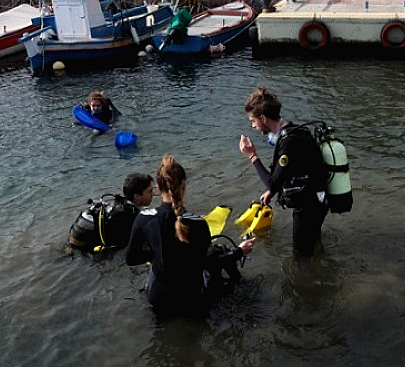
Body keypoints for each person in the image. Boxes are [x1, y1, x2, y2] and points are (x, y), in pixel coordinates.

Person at [126, 156, 255, 316]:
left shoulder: (143, 218)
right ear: (184, 186)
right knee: (219, 255)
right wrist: (239, 252)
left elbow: (131, 259)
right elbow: (210, 263)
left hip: (157, 298)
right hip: (189, 298)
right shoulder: (198, 223)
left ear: (158, 188)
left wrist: (159, 252)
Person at [238, 87, 329, 256]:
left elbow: (273, 181)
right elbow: (288, 172)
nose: (253, 126)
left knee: (301, 258)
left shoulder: (289, 142)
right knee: (314, 244)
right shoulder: (294, 130)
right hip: (319, 200)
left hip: (308, 208)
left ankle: (305, 281)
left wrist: (252, 156)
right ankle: (322, 272)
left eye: (253, 121)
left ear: (263, 118)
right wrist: (271, 192)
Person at [67, 173, 154, 253]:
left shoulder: (117, 203)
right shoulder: (129, 215)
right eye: (149, 191)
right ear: (137, 196)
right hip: (91, 251)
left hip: (75, 244)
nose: (152, 194)